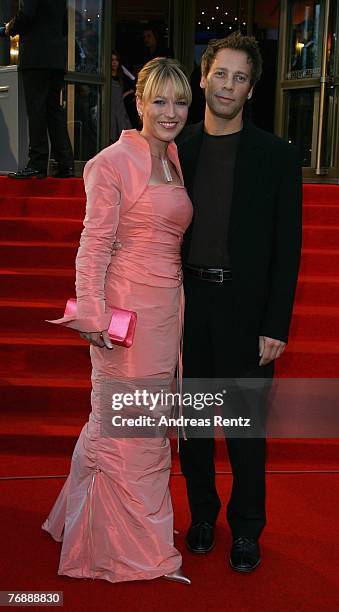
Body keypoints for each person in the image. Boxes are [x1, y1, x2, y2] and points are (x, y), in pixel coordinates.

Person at [41, 57, 193, 585]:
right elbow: (94, 243)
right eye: (159, 101)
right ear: (139, 101)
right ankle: (126, 544)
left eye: (180, 102)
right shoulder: (111, 161)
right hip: (124, 313)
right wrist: (91, 313)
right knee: (133, 428)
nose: (170, 112)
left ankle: (100, 519)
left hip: (168, 310)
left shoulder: (173, 156)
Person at [176, 32, 302, 572]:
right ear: (203, 77)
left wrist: (276, 324)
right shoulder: (177, 149)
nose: (228, 86)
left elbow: (287, 247)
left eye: (241, 77)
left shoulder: (276, 156)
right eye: (220, 74)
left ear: (252, 90)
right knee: (195, 429)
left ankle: (247, 527)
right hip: (186, 307)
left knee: (247, 431)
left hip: (246, 310)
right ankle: (203, 515)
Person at [4, 0, 74, 178]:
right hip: (55, 58)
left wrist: (9, 28)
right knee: (54, 111)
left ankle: (37, 163)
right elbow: (64, 25)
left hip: (36, 57)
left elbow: (27, 13)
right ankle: (65, 163)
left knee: (37, 110)